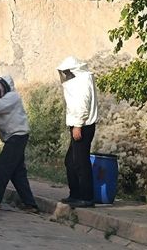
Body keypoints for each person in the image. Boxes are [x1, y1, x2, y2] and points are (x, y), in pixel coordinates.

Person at [0, 75, 39, 214]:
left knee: (2, 167)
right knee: (18, 174)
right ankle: (30, 204)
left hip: (17, 137)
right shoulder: (4, 100)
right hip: (15, 137)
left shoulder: (13, 97)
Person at [57, 56, 99, 208]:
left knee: (81, 162)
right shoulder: (80, 81)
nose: (65, 76)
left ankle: (86, 197)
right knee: (71, 161)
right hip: (79, 125)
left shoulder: (82, 81)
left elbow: (82, 105)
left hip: (82, 126)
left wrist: (78, 125)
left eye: (67, 72)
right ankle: (75, 194)